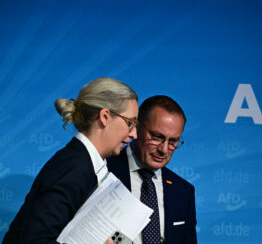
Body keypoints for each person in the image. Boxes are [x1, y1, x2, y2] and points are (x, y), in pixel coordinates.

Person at [3, 77, 138, 244]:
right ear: (105, 117)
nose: (134, 134)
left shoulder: (87, 165)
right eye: (130, 123)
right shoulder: (72, 167)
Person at [107, 95, 197, 244]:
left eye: (173, 142)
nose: (164, 149)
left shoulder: (183, 191)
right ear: (136, 127)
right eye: (156, 137)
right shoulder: (103, 171)